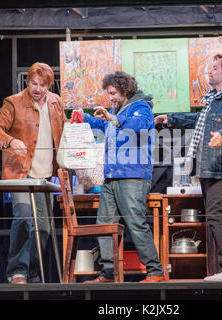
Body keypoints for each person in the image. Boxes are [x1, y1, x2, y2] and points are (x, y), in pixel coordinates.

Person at [155, 54, 222, 281]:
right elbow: (197, 120)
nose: (210, 71)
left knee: (217, 216)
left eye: (214, 67)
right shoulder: (214, 101)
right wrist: (170, 119)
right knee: (215, 218)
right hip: (211, 169)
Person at [73, 71, 164, 283]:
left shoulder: (141, 107)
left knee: (135, 223)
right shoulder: (118, 110)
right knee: (104, 223)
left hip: (133, 176)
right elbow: (107, 125)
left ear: (125, 90)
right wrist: (86, 118)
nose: (111, 97)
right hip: (112, 177)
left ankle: (155, 271)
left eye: (113, 93)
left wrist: (113, 117)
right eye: (108, 93)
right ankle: (109, 272)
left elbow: (136, 126)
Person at [0, 62, 67, 284]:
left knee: (43, 228)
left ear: (49, 85)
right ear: (28, 81)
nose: (37, 88)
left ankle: (31, 272)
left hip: (45, 177)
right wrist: (10, 141)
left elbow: (64, 130)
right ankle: (17, 272)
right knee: (23, 218)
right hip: (21, 174)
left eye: (42, 85)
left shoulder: (56, 102)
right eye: (34, 83)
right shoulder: (13, 102)